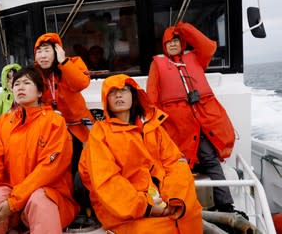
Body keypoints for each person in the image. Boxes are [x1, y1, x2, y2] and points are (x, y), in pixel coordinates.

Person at [78, 74, 202, 233]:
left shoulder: (153, 128)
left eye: (123, 90)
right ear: (105, 99)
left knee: (191, 215)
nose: (118, 95)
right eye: (112, 92)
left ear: (133, 95)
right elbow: (107, 180)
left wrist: (174, 199)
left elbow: (176, 163)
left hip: (168, 202)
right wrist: (147, 207)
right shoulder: (100, 134)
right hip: (126, 212)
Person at [0, 66, 79, 234]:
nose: (20, 87)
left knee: (39, 200)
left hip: (49, 197)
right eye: (17, 83)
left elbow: (48, 170)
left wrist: (14, 202)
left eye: (27, 83)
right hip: (13, 201)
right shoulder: (3, 123)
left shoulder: (55, 122)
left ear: (40, 92)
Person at [146, 21, 236, 213]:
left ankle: (226, 205)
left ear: (183, 43)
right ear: (164, 45)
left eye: (176, 41)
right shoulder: (157, 64)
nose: (172, 44)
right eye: (168, 42)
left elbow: (208, 46)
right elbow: (151, 96)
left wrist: (185, 28)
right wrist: (153, 126)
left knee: (210, 160)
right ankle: (185, 207)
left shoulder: (196, 57)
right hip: (177, 127)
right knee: (179, 167)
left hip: (204, 121)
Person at [34, 33, 93, 175]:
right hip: (52, 130)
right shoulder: (33, 74)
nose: (43, 55)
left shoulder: (73, 62)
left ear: (57, 50)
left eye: (47, 50)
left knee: (84, 168)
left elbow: (81, 83)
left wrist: (64, 62)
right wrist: (48, 112)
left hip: (80, 130)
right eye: (39, 51)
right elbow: (30, 102)